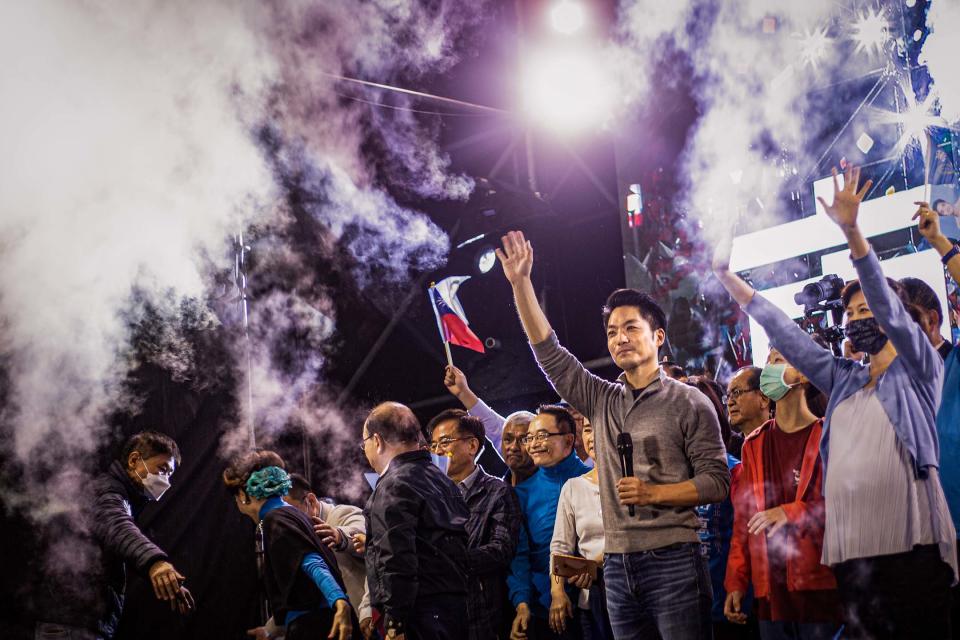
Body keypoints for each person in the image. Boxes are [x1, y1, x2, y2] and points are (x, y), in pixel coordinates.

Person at [713, 165, 958, 638]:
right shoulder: (843, 379)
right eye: (849, 311)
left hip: (912, 549)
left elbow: (887, 305)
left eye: (866, 307)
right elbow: (783, 330)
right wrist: (727, 278)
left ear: (897, 316)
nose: (855, 316)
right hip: (852, 555)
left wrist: (852, 231)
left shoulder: (921, 369)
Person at [496, 230, 729, 640]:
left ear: (658, 337)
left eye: (631, 328)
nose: (619, 337)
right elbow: (548, 352)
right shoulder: (601, 399)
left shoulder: (689, 402)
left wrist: (655, 494)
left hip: (675, 558)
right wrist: (521, 284)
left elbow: (717, 481)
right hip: (618, 567)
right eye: (612, 331)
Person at [723, 350, 840, 640]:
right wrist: (736, 582)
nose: (769, 370)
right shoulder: (754, 444)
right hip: (770, 590)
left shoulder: (829, 435)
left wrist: (789, 512)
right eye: (769, 360)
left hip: (820, 585)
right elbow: (744, 521)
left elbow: (843, 508)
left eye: (779, 360)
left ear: (803, 374)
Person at [35, 431, 194, 640]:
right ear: (134, 460)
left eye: (169, 475)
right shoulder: (106, 491)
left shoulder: (122, 495)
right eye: (162, 469)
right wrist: (156, 563)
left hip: (77, 624)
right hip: (72, 625)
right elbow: (117, 525)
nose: (166, 481)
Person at [361, 402, 470, 640]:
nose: (365, 450)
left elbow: (396, 558)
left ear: (377, 441)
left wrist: (395, 623)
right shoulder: (443, 480)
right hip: (456, 609)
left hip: (417, 616)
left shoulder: (391, 484)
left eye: (365, 442)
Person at [223, 451, 354, 640]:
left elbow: (312, 562)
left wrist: (340, 603)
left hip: (315, 626)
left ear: (243, 495)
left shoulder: (275, 519)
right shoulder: (294, 514)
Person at [426, 411, 522, 640]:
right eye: (433, 444)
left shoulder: (497, 491)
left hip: (481, 613)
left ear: (471, 446)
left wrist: (450, 560)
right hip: (438, 615)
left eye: (445, 442)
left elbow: (502, 549)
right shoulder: (429, 495)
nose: (437, 450)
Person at [911, 201, 960, 634]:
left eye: (908, 317)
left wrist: (940, 243)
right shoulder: (888, 383)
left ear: (933, 319)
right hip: (921, 545)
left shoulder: (957, 363)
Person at [508, 404, 591, 640]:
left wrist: (585, 572)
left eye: (542, 436)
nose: (533, 444)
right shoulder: (521, 494)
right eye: (529, 438)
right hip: (541, 609)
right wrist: (522, 602)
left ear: (568, 439)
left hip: (593, 602)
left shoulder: (592, 481)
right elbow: (519, 555)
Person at [685, 376, 753, 640]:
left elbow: (743, 539)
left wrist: (739, 594)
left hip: (727, 605)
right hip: (681, 606)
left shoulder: (734, 470)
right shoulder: (668, 475)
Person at [549, 419, 614, 640]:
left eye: (600, 428)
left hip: (631, 593)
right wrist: (557, 593)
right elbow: (559, 547)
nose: (592, 436)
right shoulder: (573, 487)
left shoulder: (634, 482)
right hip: (592, 598)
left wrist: (596, 563)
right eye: (587, 429)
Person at [285, 474, 373, 637]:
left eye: (292, 514)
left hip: (366, 622)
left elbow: (365, 534)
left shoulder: (341, 514)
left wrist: (339, 536)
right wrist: (269, 630)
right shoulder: (301, 536)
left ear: (310, 501)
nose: (289, 522)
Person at [727, 366, 772, 440]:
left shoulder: (785, 440)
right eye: (728, 396)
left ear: (763, 399)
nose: (729, 403)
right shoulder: (729, 447)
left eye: (736, 392)